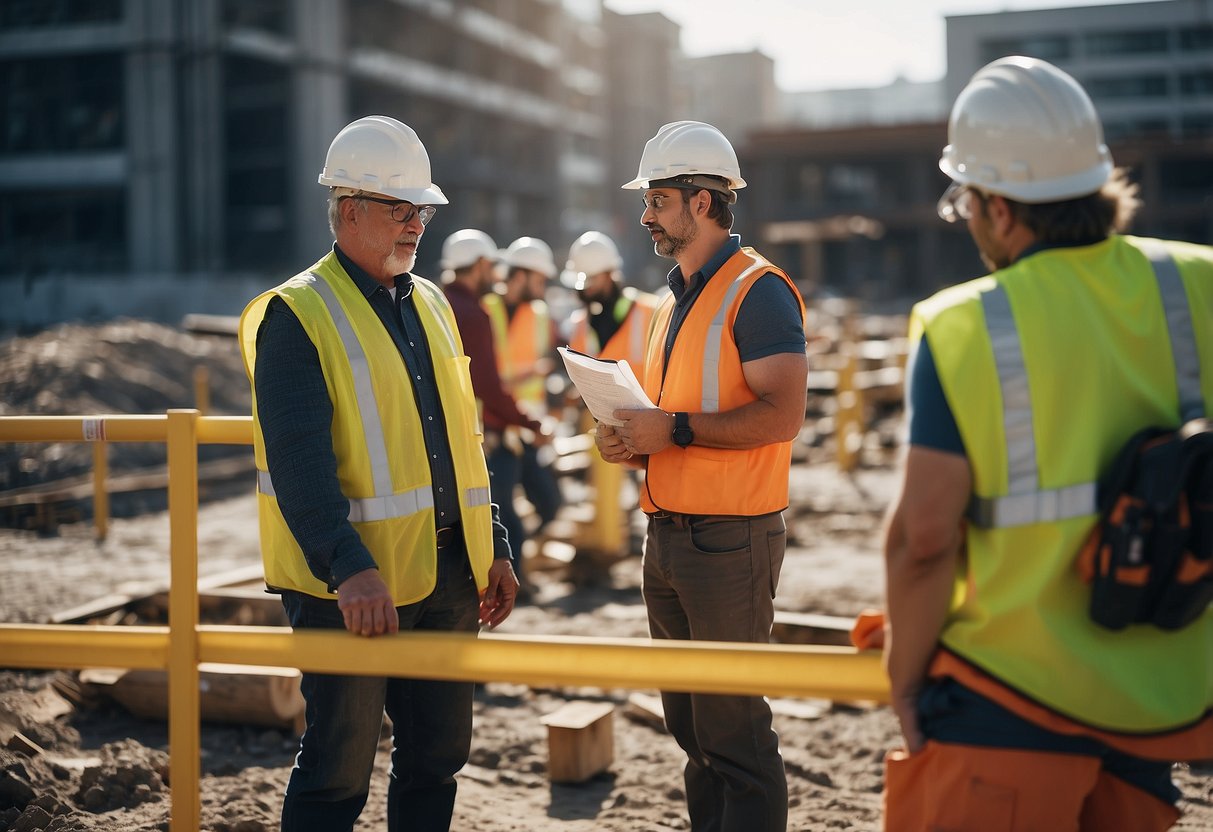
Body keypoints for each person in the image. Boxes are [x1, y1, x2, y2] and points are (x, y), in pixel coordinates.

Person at [882, 56, 1213, 832]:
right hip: (1163, 696)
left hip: (1008, 701)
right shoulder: (1200, 282)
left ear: (998, 208)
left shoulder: (966, 322)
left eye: (964, 199)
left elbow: (923, 539)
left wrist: (903, 678)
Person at [238, 115, 519, 832]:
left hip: (448, 573)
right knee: (337, 771)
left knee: (436, 761)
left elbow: (460, 438)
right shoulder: (296, 315)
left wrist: (493, 543)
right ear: (348, 209)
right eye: (400, 209)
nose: (415, 224)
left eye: (420, 210)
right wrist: (347, 567)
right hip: (352, 589)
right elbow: (296, 460)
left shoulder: (431, 302)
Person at [595, 120, 808, 832]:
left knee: (735, 738)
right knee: (692, 734)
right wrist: (634, 440)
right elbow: (670, 410)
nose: (646, 214)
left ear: (704, 201)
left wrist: (674, 431)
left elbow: (781, 415)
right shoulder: (671, 301)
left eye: (658, 199)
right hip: (669, 535)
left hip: (730, 540)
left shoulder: (759, 291)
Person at [439, 228, 553, 586]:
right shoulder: (473, 313)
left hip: (461, 431)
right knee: (503, 517)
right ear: (480, 266)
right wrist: (531, 424)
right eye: (492, 267)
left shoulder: (438, 304)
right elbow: (486, 384)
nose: (497, 275)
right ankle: (508, 585)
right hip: (486, 433)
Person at [481, 236, 565, 574]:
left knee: (551, 503)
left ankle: (519, 560)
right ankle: (513, 576)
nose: (543, 287)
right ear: (521, 276)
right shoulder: (485, 312)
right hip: (496, 431)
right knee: (502, 510)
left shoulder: (541, 315)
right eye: (540, 279)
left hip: (529, 429)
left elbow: (557, 358)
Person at [563, 230, 658, 368]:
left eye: (593, 278)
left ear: (610, 273)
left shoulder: (651, 311)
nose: (587, 288)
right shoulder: (579, 325)